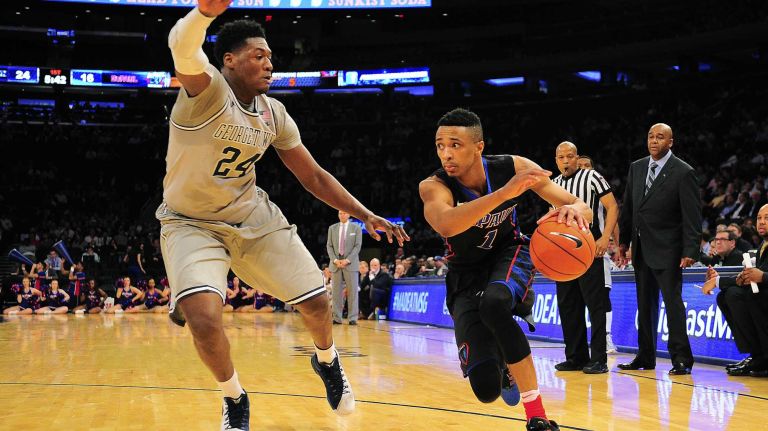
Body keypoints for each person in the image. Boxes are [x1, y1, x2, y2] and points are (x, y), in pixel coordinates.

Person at [160, 2, 408, 428]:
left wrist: (366, 214)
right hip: (191, 223)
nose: (269, 63)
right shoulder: (206, 92)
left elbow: (312, 175)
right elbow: (181, 47)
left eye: (271, 56)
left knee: (317, 302)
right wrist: (202, 13)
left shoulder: (274, 113)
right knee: (202, 318)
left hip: (252, 216)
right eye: (259, 55)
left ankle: (327, 361)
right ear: (230, 61)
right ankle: (234, 398)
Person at [419, 108, 591, 431]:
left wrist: (574, 213)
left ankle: (537, 416)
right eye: (440, 145)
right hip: (464, 276)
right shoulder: (433, 186)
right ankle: (505, 363)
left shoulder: (514, 167)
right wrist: (504, 194)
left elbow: (580, 206)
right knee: (486, 389)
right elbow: (445, 222)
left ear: (479, 147)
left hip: (509, 253)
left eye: (455, 145)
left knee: (495, 303)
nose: (446, 154)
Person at [617, 123, 702, 375]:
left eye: (660, 137)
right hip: (641, 248)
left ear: (670, 142)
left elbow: (692, 216)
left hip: (670, 250)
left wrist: (690, 250)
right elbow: (629, 207)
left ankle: (682, 359)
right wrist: (623, 242)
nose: (654, 141)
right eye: (651, 136)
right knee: (645, 305)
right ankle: (645, 357)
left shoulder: (683, 172)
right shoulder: (637, 167)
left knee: (673, 305)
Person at [551, 142, 618, 374]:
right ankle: (576, 357)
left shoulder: (591, 177)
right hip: (564, 251)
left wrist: (606, 237)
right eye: (562, 157)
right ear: (556, 160)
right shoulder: (554, 184)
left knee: (595, 305)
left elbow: (612, 206)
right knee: (568, 305)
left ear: (576, 157)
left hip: (590, 247)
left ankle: (599, 358)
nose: (566, 161)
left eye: (570, 156)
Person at [701, 204, 768, 376]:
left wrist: (763, 277)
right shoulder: (763, 245)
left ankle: (763, 356)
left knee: (748, 296)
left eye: (766, 218)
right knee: (728, 296)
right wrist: (720, 280)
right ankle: (757, 355)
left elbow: (761, 276)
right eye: (759, 218)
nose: (761, 222)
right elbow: (753, 276)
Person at [577, 154, 618, 354]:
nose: (584, 168)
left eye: (587, 165)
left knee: (603, 297)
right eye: (580, 165)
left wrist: (618, 246)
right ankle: (580, 349)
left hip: (598, 251)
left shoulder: (599, 192)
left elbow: (614, 218)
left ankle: (607, 338)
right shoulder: (569, 191)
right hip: (575, 254)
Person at [327, 211, 363, 325]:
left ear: (349, 215)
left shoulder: (356, 228)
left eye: (344, 213)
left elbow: (358, 246)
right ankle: (337, 318)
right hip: (336, 264)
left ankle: (352, 318)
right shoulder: (332, 228)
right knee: (336, 293)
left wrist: (347, 260)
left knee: (352, 292)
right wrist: (335, 260)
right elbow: (329, 246)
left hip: (350, 264)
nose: (342, 215)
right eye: (340, 213)